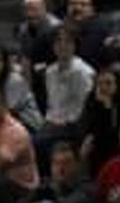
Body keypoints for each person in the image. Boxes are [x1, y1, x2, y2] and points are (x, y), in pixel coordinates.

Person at [39, 26, 95, 156]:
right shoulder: (50, 71)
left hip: (74, 126)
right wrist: (48, 122)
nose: (62, 46)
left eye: (68, 41)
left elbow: (85, 109)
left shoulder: (83, 72)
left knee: (38, 143)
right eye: (58, 41)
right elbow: (52, 105)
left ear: (75, 45)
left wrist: (61, 124)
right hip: (53, 123)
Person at [76, 65, 120, 174]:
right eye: (100, 84)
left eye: (108, 83)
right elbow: (87, 130)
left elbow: (117, 131)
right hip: (98, 147)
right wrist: (102, 107)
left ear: (117, 84)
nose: (103, 87)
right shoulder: (91, 101)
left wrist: (107, 107)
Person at [64, 0, 113, 66]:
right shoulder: (61, 27)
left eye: (83, 4)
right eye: (73, 4)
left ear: (92, 9)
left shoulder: (101, 26)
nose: (77, 7)